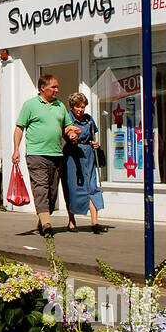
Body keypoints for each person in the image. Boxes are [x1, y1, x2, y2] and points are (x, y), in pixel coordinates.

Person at [12, 73, 80, 236]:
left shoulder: (60, 106)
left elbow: (67, 126)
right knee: (41, 188)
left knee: (52, 191)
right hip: (36, 154)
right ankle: (47, 224)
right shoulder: (30, 105)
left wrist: (71, 133)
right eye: (53, 87)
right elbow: (19, 128)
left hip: (56, 154)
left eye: (57, 87)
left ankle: (42, 220)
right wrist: (16, 149)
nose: (57, 89)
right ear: (43, 88)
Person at [63, 92, 106, 234]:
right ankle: (71, 220)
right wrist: (71, 135)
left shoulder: (89, 120)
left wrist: (95, 144)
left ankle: (95, 222)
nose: (81, 110)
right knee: (72, 187)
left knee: (92, 186)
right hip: (72, 155)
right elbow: (62, 133)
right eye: (78, 107)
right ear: (72, 106)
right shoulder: (67, 118)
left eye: (83, 107)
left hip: (88, 155)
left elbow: (93, 135)